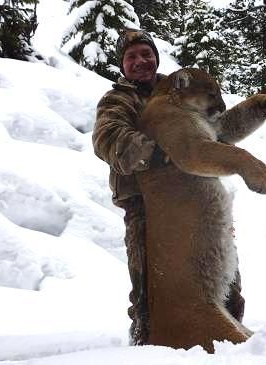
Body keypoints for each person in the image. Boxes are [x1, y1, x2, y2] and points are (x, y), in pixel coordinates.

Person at [92, 29, 246, 345]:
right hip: (147, 208)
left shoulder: (180, 91)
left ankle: (230, 346)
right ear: (123, 65)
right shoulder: (118, 99)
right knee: (151, 288)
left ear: (156, 57)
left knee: (224, 282)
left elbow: (215, 131)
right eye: (131, 56)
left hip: (196, 199)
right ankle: (147, 349)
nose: (140, 61)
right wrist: (155, 152)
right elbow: (107, 137)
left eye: (146, 54)